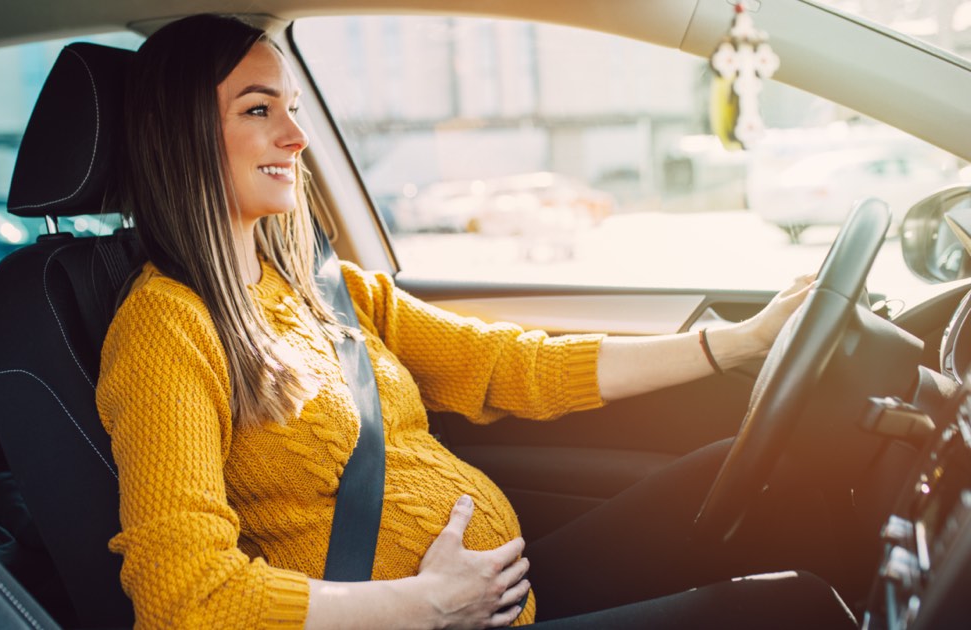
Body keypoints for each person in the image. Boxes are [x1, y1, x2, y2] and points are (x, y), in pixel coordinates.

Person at [97, 13, 854, 629]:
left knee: (771, 473)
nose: (295, 138)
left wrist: (737, 343)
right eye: (259, 111)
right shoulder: (166, 328)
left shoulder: (324, 289)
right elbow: (185, 596)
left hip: (497, 597)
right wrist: (422, 604)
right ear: (183, 135)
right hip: (425, 618)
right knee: (796, 607)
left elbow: (511, 367)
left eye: (293, 109)